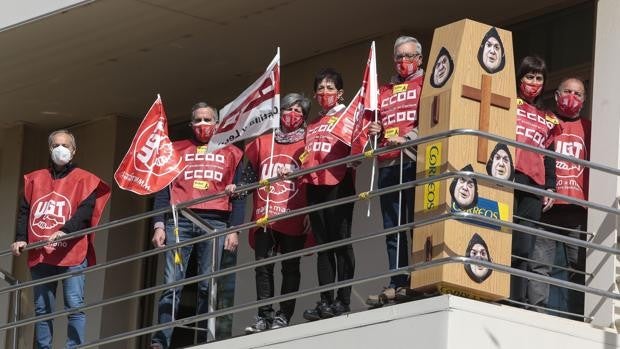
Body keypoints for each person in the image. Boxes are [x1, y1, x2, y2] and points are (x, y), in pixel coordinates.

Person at [150, 102, 245, 349]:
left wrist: (234, 229)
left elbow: (240, 197)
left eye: (208, 119)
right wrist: (158, 224)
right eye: (198, 120)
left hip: (214, 222)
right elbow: (163, 190)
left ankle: (205, 340)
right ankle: (161, 340)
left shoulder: (233, 152)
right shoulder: (175, 150)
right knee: (172, 283)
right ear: (191, 124)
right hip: (179, 221)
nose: (203, 124)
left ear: (217, 123)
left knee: (207, 284)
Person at [10, 129, 110, 349]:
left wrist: (65, 230)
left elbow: (85, 212)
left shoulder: (85, 179)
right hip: (42, 254)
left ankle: (73, 347)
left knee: (74, 306)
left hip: (71, 254)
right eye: (56, 145)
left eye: (65, 145)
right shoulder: (35, 179)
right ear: (50, 149)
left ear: (74, 151)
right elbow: (25, 212)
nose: (60, 150)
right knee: (42, 308)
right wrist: (20, 238)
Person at [242, 93, 312, 333]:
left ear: (304, 117)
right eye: (287, 109)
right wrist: (237, 187)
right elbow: (249, 175)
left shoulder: (308, 141)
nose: (291, 115)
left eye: (298, 111)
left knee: (290, 267)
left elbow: (314, 173)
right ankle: (263, 316)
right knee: (262, 266)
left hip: (293, 212)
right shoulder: (264, 141)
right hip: (265, 213)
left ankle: (284, 315)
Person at [366, 36, 424, 307]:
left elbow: (434, 118)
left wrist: (409, 138)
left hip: (416, 161)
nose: (403, 61)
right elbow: (371, 125)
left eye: (408, 56)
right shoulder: (383, 90)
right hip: (388, 163)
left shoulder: (428, 84)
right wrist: (374, 132)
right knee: (393, 227)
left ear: (419, 59)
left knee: (418, 223)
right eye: (399, 57)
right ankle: (398, 281)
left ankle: (422, 280)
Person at [529, 77, 590, 315]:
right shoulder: (543, 120)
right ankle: (537, 311)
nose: (571, 98)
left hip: (578, 210)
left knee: (580, 267)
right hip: (547, 206)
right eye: (567, 91)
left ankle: (578, 316)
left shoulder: (589, 128)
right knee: (540, 263)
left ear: (584, 100)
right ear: (556, 95)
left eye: (578, 94)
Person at [300, 68, 356, 321]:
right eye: (320, 88)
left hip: (339, 184)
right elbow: (305, 155)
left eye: (330, 88)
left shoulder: (348, 116)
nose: (325, 92)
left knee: (340, 242)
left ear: (340, 93)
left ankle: (343, 301)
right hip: (315, 185)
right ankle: (325, 301)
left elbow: (361, 141)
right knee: (323, 246)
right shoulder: (311, 124)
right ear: (314, 95)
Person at [511, 56, 561, 307]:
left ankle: (517, 299)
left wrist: (551, 186)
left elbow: (550, 156)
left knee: (524, 243)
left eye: (538, 78)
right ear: (520, 78)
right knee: (503, 236)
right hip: (507, 177)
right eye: (529, 76)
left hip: (535, 183)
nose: (533, 82)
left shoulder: (548, 117)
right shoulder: (508, 105)